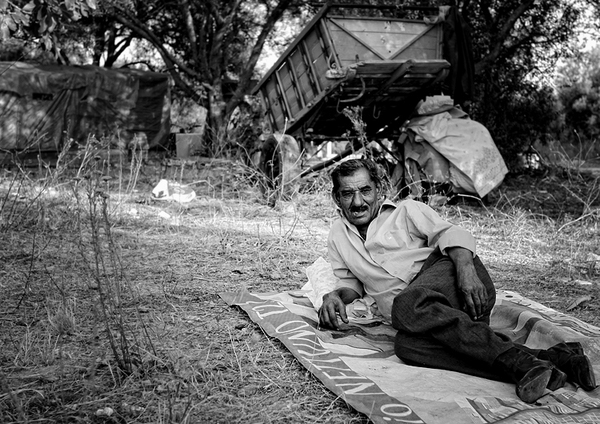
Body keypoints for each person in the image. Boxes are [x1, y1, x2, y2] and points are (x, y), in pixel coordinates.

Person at [319, 158, 596, 404]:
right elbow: (351, 286)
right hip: (425, 318)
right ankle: (548, 361)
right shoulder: (337, 236)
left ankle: (528, 364)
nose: (357, 202)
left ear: (379, 191)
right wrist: (334, 296)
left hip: (456, 281)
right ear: (336, 198)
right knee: (407, 346)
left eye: (365, 191)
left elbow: (452, 234)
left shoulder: (407, 211)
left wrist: (465, 270)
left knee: (406, 304)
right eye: (348, 194)